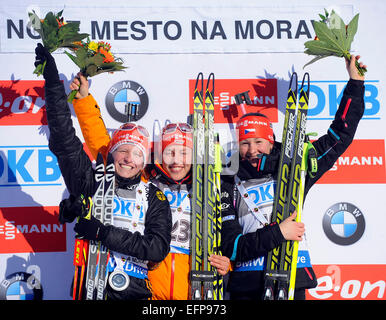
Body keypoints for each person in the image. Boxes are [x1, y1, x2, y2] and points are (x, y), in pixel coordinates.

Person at [69, 76, 231, 300]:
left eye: (184, 153)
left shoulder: (208, 189)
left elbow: (228, 236)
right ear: (158, 155)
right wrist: (84, 101)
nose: (176, 161)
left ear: (194, 157)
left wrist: (227, 265)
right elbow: (104, 147)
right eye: (169, 152)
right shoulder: (147, 181)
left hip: (192, 287)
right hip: (148, 288)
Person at [220, 55, 367, 299]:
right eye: (244, 143)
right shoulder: (227, 180)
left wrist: (355, 83)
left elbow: (339, 136)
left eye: (258, 141)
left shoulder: (296, 167)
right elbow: (232, 247)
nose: (252, 149)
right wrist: (279, 232)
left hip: (291, 281)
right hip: (247, 284)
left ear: (271, 141)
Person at [34, 43, 172, 300]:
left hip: (136, 292)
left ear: (144, 162)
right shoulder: (92, 180)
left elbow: (157, 248)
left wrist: (103, 233)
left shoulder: (155, 197)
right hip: (90, 286)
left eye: (137, 154)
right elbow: (65, 140)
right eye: (123, 150)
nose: (129, 159)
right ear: (111, 153)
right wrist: (53, 83)